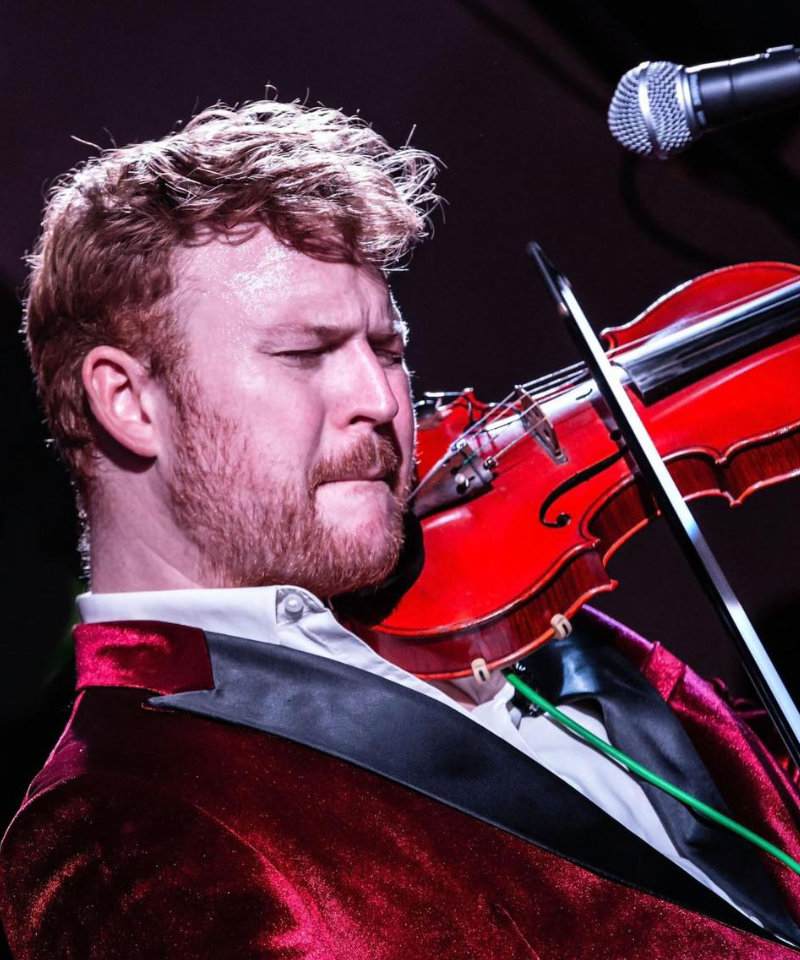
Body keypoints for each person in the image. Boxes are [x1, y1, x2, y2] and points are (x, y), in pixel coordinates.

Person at [2, 99, 800, 960]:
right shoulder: (117, 823)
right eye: (305, 353)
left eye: (386, 348)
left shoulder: (499, 614)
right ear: (129, 402)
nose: (383, 402)